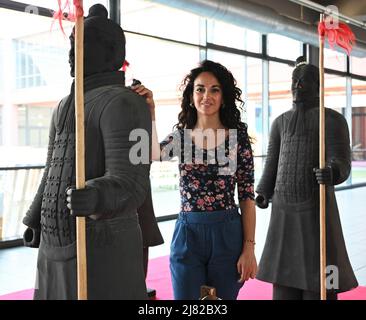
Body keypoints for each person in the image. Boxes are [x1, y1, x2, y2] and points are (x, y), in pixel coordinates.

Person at [22, 4, 150, 300]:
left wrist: (96, 195)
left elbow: (134, 182)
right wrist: (35, 216)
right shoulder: (64, 105)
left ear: (111, 52)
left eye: (82, 45)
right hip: (56, 242)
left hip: (102, 246)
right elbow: (52, 168)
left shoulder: (127, 103)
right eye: (72, 44)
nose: (72, 54)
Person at [132, 60, 257, 300]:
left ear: (223, 96)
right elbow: (152, 154)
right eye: (200, 89)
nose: (206, 96)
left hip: (227, 234)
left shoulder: (236, 138)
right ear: (191, 96)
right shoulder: (181, 136)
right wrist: (150, 111)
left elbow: (247, 196)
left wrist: (249, 247)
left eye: (214, 89)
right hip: (188, 234)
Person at [255, 56, 359, 300]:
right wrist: (263, 191)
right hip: (283, 212)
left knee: (320, 283)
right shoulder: (279, 122)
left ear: (317, 85)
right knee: (283, 284)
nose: (297, 85)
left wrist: (332, 172)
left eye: (303, 81)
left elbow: (342, 160)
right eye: (294, 80)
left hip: (316, 210)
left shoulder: (332, 120)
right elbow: (272, 162)